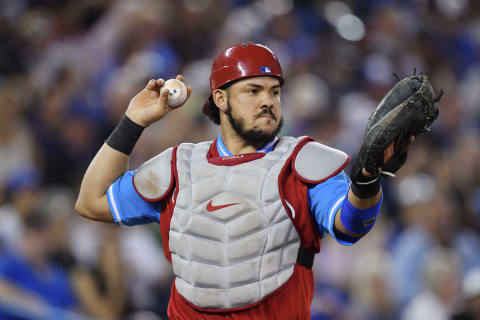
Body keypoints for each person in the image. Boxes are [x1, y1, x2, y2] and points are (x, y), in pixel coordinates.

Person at [75, 42, 409, 319]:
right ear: (220, 99)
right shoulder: (179, 166)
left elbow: (350, 224)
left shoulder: (302, 164)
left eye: (274, 91)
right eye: (253, 90)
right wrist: (133, 121)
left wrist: (366, 181)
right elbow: (91, 201)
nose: (268, 101)